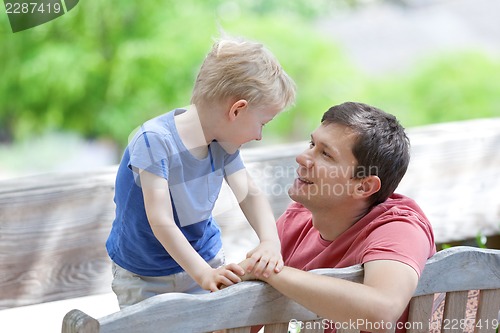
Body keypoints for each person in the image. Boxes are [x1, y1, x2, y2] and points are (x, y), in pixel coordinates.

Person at [106, 35, 296, 309]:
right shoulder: (154, 141)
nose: (259, 136)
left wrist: (270, 241)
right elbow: (161, 220)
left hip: (205, 259)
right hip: (145, 277)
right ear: (237, 110)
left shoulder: (223, 144)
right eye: (262, 124)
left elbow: (250, 195)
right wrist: (202, 273)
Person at [240, 102, 436, 333]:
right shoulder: (296, 220)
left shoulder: (399, 228)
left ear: (364, 186)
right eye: (312, 144)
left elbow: (382, 312)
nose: (302, 158)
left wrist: (271, 272)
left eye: (326, 154)